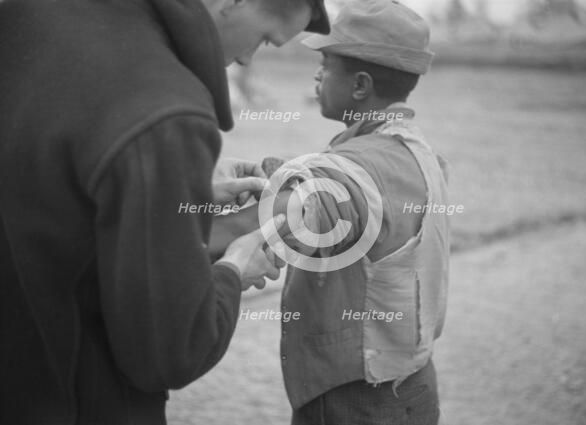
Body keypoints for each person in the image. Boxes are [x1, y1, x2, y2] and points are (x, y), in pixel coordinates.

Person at [0, 0, 329, 424]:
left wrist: (164, 190)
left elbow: (48, 181)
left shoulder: (30, 14)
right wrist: (233, 272)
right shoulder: (167, 112)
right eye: (265, 38)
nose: (248, 58)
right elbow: (167, 353)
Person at [268, 2, 450, 424]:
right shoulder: (421, 154)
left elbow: (290, 221)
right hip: (416, 382)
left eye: (326, 64)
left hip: (352, 400)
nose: (316, 75)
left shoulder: (349, 167)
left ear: (361, 85)